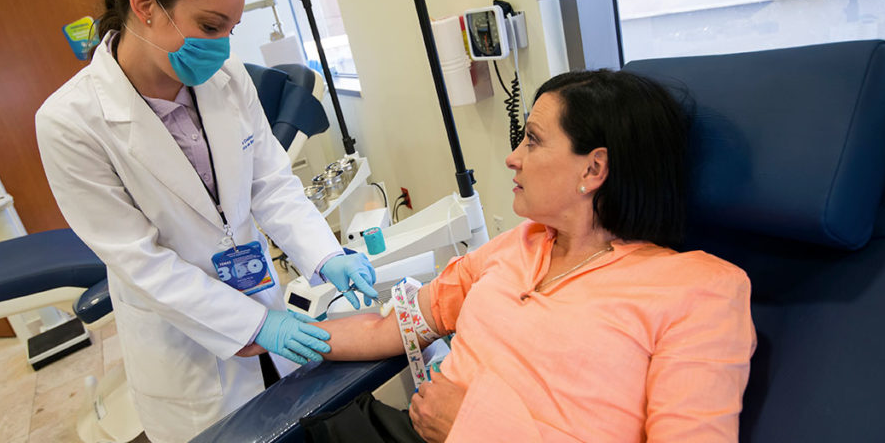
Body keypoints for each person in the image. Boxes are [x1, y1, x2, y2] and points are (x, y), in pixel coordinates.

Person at [250, 70, 756, 442]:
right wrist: (261, 331)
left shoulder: (700, 290)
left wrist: (474, 425)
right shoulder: (523, 243)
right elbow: (393, 327)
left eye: (533, 141)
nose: (513, 156)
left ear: (594, 168)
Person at [35, 0, 378, 443]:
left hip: (260, 298)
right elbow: (139, 261)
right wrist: (254, 326)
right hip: (184, 347)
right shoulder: (70, 121)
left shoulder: (228, 79)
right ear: (145, 5)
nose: (222, 48)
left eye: (231, 30)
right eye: (210, 26)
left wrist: (325, 255)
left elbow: (271, 184)